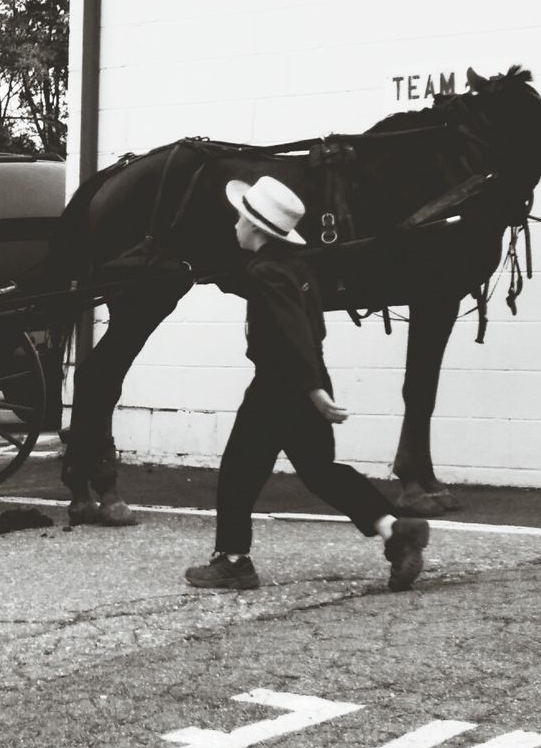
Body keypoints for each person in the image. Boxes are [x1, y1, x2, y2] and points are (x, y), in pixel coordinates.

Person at [184, 175, 429, 592]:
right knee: (321, 472)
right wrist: (315, 386)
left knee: (239, 472)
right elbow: (310, 331)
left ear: (257, 228)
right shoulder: (297, 267)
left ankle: (233, 560)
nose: (234, 225)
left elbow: (292, 331)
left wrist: (312, 390)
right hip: (304, 380)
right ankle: (394, 528)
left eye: (240, 218)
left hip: (278, 387)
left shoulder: (266, 273)